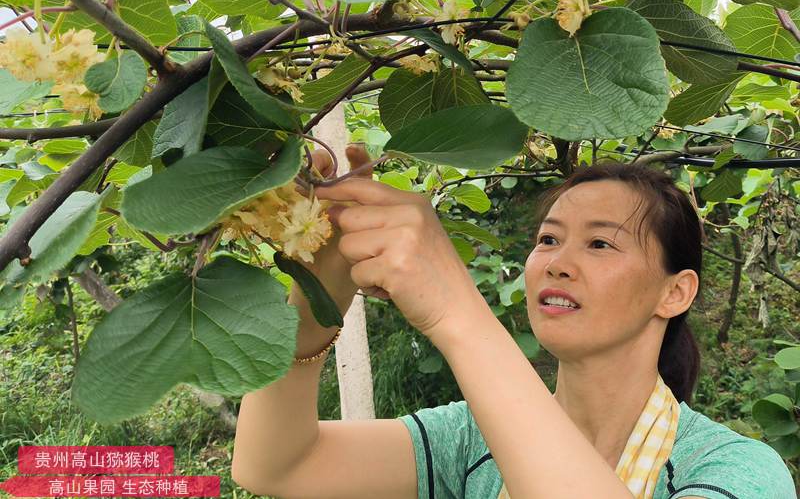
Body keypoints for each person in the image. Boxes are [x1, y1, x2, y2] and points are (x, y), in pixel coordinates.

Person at [231, 149, 796, 499]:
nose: (556, 262)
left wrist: (456, 310)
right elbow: (275, 466)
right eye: (548, 239)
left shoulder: (736, 471)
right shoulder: (471, 440)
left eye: (600, 243)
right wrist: (318, 296)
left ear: (676, 292)